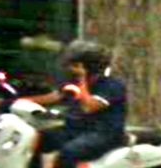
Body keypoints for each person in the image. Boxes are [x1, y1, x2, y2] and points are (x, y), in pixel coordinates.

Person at [27, 40, 127, 168]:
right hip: (76, 130)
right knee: (37, 139)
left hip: (103, 134)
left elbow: (89, 106)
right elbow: (54, 97)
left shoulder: (111, 85)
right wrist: (16, 101)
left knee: (69, 152)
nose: (69, 68)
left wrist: (81, 78)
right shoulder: (73, 83)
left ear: (87, 67)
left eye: (74, 65)